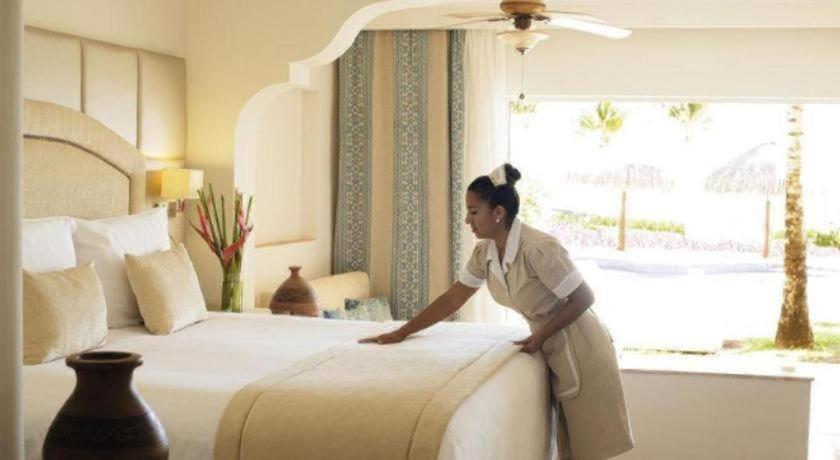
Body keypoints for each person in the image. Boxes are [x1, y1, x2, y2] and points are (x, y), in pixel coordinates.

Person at [360, 163, 634, 459]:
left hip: (581, 345)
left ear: (498, 212)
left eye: (473, 211)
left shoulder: (537, 248)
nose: (467, 220)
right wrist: (402, 332)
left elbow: (583, 297)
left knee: (589, 450)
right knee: (569, 451)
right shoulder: (486, 253)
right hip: (552, 342)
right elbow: (453, 299)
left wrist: (541, 336)